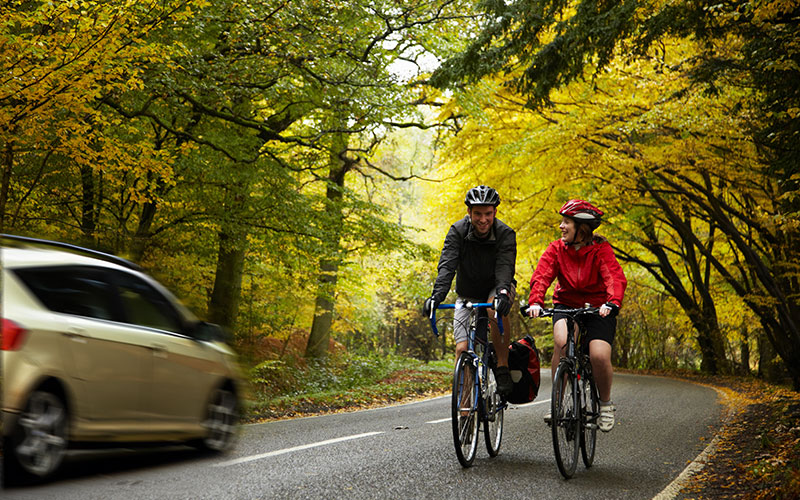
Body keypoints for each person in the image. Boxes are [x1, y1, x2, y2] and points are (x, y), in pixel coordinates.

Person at [527, 199, 627, 432]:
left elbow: (614, 277)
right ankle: (558, 402)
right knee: (562, 343)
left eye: (566, 222)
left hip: (598, 307)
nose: (561, 226)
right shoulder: (556, 249)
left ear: (581, 228)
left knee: (599, 355)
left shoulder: (601, 250)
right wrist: (535, 302)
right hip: (566, 304)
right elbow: (542, 276)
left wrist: (612, 303)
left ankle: (604, 405)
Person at [423, 185, 517, 396]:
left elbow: (505, 267)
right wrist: (436, 296)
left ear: (494, 212)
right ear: (469, 213)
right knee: (461, 348)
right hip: (467, 291)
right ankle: (465, 408)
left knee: (495, 309)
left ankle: (502, 366)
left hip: (497, 286)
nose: (483, 219)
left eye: (487, 214)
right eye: (477, 214)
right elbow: (447, 265)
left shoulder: (505, 233)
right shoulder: (457, 231)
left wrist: (502, 293)